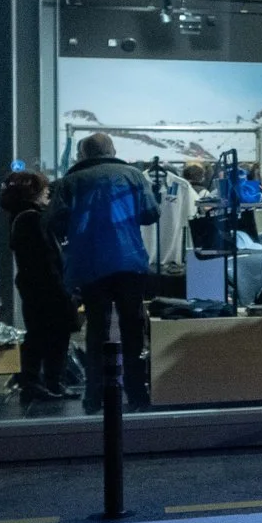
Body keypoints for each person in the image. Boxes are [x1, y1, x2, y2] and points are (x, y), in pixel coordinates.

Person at [47, 132, 158, 412]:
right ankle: (136, 393)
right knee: (132, 327)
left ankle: (94, 395)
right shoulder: (133, 176)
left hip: (90, 263)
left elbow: (53, 221)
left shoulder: (71, 181)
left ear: (83, 154)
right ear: (112, 150)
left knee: (97, 328)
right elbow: (150, 213)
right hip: (129, 260)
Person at [0, 168, 75, 404]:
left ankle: (41, 383)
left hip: (35, 286)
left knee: (41, 333)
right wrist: (63, 289)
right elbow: (45, 258)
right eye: (44, 190)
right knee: (50, 334)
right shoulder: (32, 219)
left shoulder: (22, 217)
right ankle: (44, 382)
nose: (47, 194)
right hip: (45, 286)